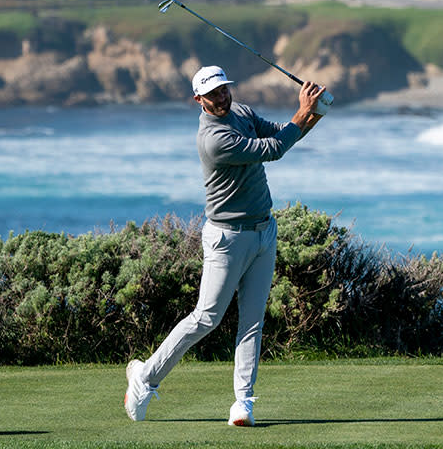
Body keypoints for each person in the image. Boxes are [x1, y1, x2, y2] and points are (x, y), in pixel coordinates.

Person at [124, 64, 326, 427]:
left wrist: (316, 111)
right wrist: (303, 109)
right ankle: (145, 376)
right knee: (206, 317)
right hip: (226, 239)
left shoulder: (243, 112)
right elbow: (274, 149)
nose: (221, 97)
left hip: (264, 231)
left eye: (223, 90)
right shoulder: (213, 139)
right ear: (198, 100)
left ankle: (243, 404)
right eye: (212, 94)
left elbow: (282, 133)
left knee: (252, 322)